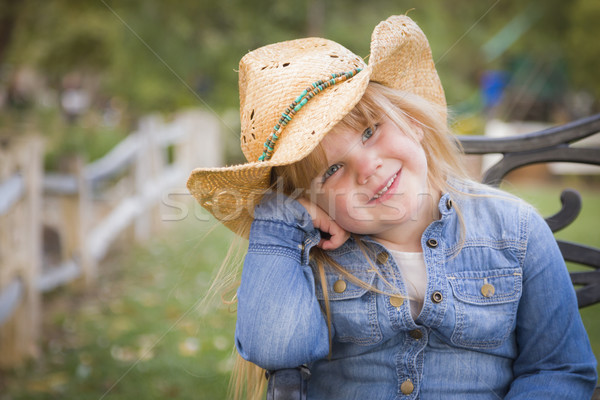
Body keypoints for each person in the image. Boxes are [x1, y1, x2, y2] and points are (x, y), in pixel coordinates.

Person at [187, 15, 597, 400]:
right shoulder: (309, 257)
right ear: (310, 201)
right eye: (331, 170)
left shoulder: (516, 230)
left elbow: (560, 367)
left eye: (370, 131)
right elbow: (276, 349)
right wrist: (278, 218)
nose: (368, 169)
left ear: (411, 120)